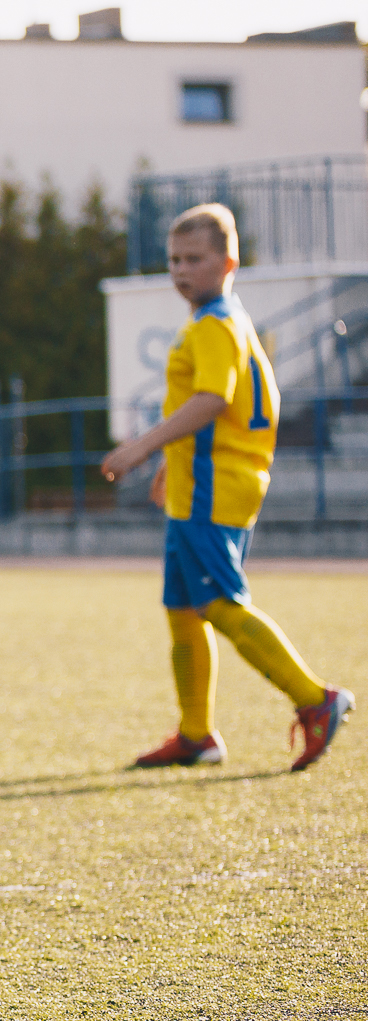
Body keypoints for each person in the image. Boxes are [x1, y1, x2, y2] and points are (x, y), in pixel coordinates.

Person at [100, 203, 350, 771]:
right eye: (174, 259)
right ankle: (197, 735)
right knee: (184, 610)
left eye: (195, 258)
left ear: (228, 261)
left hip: (215, 490)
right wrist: (173, 461)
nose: (181, 270)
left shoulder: (216, 325)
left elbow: (214, 400)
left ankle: (316, 699)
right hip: (199, 484)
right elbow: (221, 407)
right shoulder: (222, 321)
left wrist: (142, 446)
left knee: (217, 602)